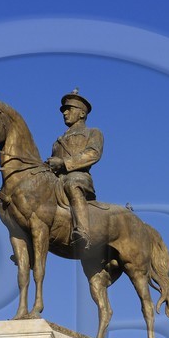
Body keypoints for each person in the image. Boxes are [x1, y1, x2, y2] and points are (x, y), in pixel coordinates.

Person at [47, 90, 103, 249]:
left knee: (72, 183)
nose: (65, 113)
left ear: (81, 113)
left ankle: (83, 231)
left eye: (69, 109)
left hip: (79, 177)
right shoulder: (58, 141)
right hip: (57, 180)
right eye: (64, 110)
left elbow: (93, 154)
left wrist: (64, 163)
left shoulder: (93, 132)